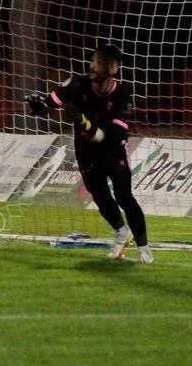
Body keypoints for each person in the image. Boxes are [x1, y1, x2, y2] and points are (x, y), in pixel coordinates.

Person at [25, 44, 153, 263]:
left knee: (124, 196)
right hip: (86, 151)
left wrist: (81, 120)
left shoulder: (121, 94)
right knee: (100, 195)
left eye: (100, 62)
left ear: (113, 69)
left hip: (113, 150)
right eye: (93, 60)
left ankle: (144, 249)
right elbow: (52, 101)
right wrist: (40, 107)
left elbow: (109, 138)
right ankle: (121, 231)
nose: (92, 65)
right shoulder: (77, 84)